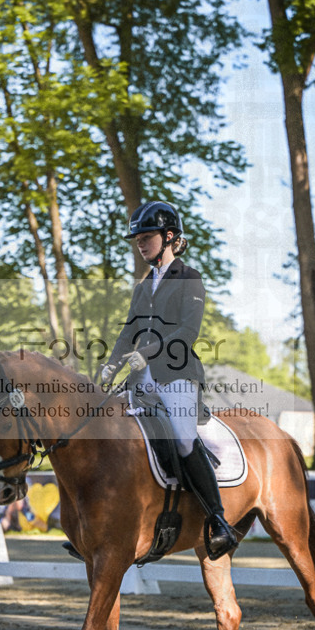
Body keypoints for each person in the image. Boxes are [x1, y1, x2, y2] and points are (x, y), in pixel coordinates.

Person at [100, 200, 239, 560]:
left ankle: (218, 520)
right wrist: (111, 365)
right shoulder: (142, 286)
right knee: (111, 431)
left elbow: (188, 330)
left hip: (176, 375)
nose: (141, 244)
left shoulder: (189, 278)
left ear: (170, 237)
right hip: (140, 378)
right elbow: (128, 331)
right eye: (138, 239)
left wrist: (146, 353)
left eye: (147, 237)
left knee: (181, 438)